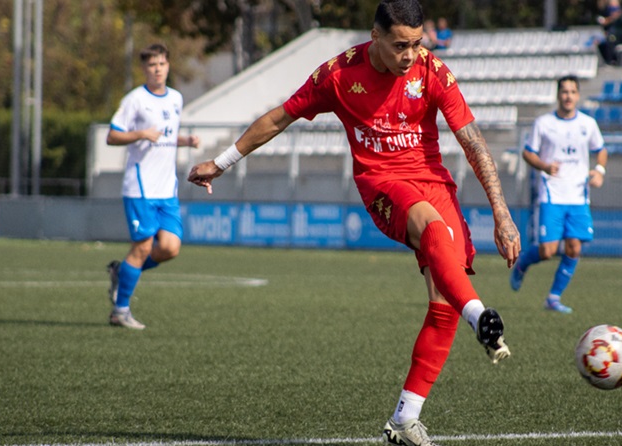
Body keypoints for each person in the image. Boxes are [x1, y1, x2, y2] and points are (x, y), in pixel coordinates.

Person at [187, 1, 521, 444]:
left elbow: (473, 142)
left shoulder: (432, 70)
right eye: (400, 45)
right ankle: (480, 315)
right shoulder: (339, 75)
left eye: (417, 44)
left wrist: (502, 214)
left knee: (444, 301)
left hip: (435, 182)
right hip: (382, 183)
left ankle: (405, 419)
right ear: (376, 36)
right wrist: (223, 162)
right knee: (434, 231)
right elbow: (279, 117)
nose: (410, 55)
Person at [105, 43, 200, 330]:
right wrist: (140, 134)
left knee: (170, 248)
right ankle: (120, 311)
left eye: (161, 64)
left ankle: (122, 273)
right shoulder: (135, 100)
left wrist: (185, 141)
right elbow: (112, 136)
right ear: (144, 69)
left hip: (166, 188)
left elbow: (166, 136)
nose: (157, 69)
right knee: (143, 246)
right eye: (151, 65)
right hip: (141, 187)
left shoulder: (176, 99)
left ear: (168, 66)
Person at [509, 75, 607, 314]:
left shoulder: (587, 124)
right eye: (564, 91)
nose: (568, 96)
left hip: (578, 196)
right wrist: (544, 166)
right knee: (548, 251)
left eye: (573, 92)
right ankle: (523, 262)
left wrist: (599, 171)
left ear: (578, 95)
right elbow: (527, 153)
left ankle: (553, 298)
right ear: (558, 95)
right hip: (552, 194)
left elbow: (601, 150)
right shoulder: (543, 123)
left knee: (574, 248)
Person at [595, 0, 622, 65]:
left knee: (611, 40)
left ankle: (613, 61)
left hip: (621, 38)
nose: (613, 11)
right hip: (612, 37)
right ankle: (607, 61)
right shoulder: (609, 17)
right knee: (600, 43)